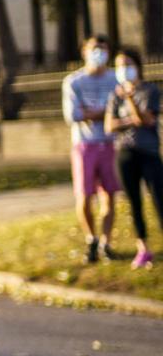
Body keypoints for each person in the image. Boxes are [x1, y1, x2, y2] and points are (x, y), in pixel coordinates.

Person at [62, 35, 121, 263]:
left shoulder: (116, 79)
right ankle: (91, 240)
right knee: (84, 196)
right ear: (84, 51)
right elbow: (74, 115)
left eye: (103, 49)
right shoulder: (74, 81)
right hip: (85, 146)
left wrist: (91, 113)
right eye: (94, 48)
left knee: (109, 196)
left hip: (110, 144)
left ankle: (106, 242)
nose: (98, 53)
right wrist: (105, 113)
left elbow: (119, 113)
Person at [105, 49, 161, 269]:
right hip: (125, 153)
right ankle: (143, 248)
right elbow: (109, 126)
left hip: (149, 153)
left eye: (127, 64)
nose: (123, 69)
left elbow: (145, 120)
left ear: (137, 66)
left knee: (159, 198)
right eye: (119, 65)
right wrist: (131, 118)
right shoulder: (113, 95)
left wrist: (129, 101)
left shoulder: (150, 90)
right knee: (134, 203)